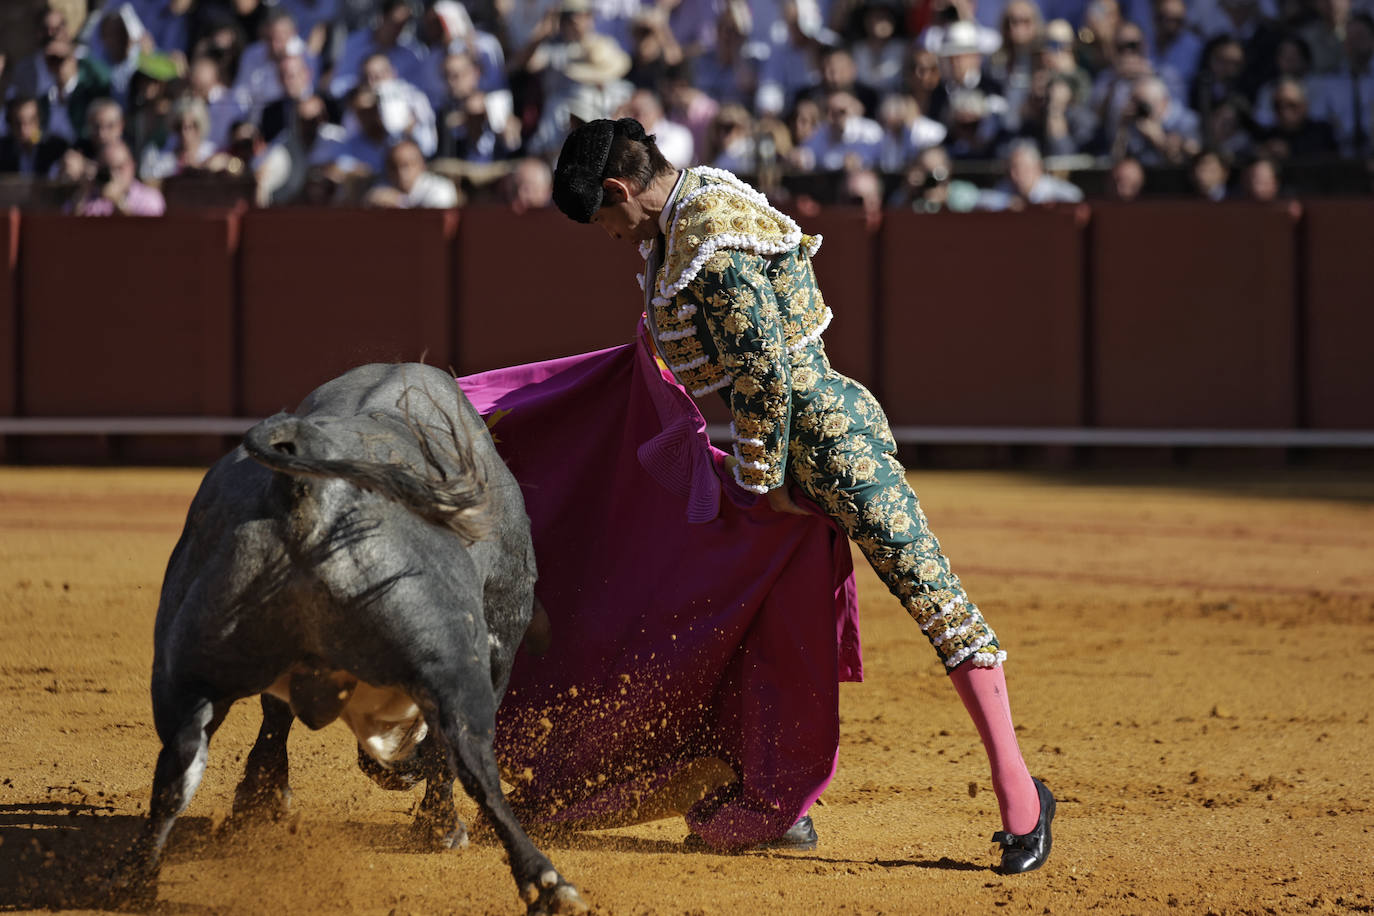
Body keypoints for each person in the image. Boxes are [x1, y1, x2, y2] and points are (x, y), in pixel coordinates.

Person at [547, 116, 1055, 872]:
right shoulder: (691, 211)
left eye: (607, 220)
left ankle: (1022, 798)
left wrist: (762, 485)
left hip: (831, 448)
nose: (615, 237)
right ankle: (773, 798)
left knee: (934, 598)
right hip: (784, 457)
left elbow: (763, 375)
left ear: (620, 189)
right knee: (743, 614)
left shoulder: (707, 237)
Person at [363, 139, 459, 208]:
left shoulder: (441, 189)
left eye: (407, 165)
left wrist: (400, 203)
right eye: (393, 167)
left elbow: (431, 224)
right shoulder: (382, 187)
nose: (400, 173)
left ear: (422, 165)